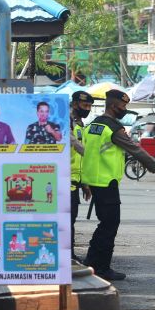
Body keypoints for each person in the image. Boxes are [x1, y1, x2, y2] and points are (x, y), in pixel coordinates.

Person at [81, 89, 155, 281]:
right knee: (109, 225)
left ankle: (91, 262)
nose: (124, 109)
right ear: (113, 105)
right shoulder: (113, 128)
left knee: (104, 224)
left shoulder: (93, 125)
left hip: (93, 180)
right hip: (106, 182)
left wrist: (85, 181)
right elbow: (136, 150)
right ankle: (101, 267)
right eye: (123, 106)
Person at [69, 91, 93, 262]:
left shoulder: (79, 122)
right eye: (85, 106)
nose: (88, 109)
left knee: (71, 219)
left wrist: (85, 182)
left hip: (75, 180)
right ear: (75, 104)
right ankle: (67, 255)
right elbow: (75, 145)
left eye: (90, 106)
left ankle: (69, 253)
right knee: (66, 221)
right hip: (63, 179)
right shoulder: (65, 120)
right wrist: (95, 156)